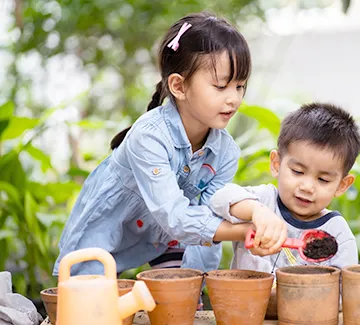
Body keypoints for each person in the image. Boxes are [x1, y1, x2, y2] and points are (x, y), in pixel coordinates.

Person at [52, 12, 287, 281]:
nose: (233, 99)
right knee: (87, 301)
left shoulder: (225, 152)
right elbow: (175, 216)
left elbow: (210, 216)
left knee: (181, 296)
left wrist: (201, 279)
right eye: (221, 86)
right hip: (108, 229)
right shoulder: (149, 137)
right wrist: (244, 230)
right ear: (178, 85)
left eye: (240, 86)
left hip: (167, 238)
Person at [210, 102, 360, 274]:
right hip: (246, 300)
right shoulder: (263, 200)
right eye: (297, 172)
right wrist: (256, 212)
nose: (307, 187)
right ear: (276, 164)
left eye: (323, 179)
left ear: (341, 185)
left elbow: (344, 289)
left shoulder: (337, 234)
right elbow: (218, 199)